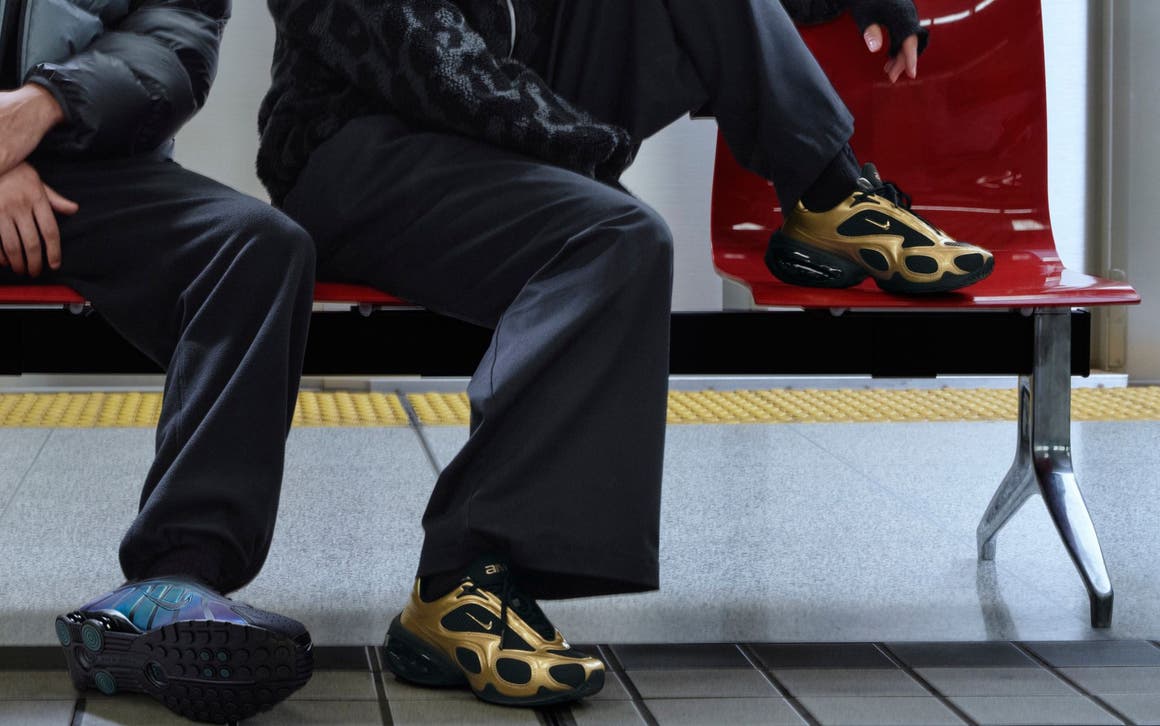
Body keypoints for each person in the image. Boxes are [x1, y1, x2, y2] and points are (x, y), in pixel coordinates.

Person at [257, 0, 994, 708]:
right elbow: (433, 65)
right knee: (622, 240)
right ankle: (458, 584)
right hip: (354, 146)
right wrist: (593, 143)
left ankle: (831, 196)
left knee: (623, 232)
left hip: (489, 125)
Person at [0, 1, 316, 722]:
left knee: (256, 248)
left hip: (78, 160)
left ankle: (176, 582)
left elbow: (172, 48)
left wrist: (41, 107)